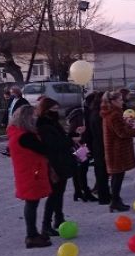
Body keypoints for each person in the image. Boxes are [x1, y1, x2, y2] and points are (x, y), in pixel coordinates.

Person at [7, 105, 52, 248]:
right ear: (26, 118)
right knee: (32, 204)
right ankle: (31, 235)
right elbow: (44, 149)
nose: (36, 118)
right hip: (31, 174)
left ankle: (33, 233)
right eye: (33, 116)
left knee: (32, 203)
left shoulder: (17, 133)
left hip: (28, 172)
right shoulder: (25, 136)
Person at [35, 98, 76, 236]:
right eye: (53, 109)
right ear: (46, 110)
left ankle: (59, 218)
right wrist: (70, 140)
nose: (56, 111)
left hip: (61, 162)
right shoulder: (44, 126)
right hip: (54, 164)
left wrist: (70, 137)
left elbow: (60, 140)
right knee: (54, 194)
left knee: (59, 193)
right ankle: (46, 224)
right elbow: (54, 145)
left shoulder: (53, 123)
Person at [100, 90, 135, 212]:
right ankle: (114, 201)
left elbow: (120, 129)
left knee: (117, 176)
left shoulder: (114, 113)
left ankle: (116, 200)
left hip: (116, 150)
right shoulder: (114, 115)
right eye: (120, 100)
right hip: (116, 151)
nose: (122, 102)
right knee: (117, 177)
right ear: (113, 101)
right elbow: (122, 133)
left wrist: (128, 123)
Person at [83, 91, 111, 205]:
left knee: (102, 171)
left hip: (97, 145)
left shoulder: (94, 113)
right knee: (101, 171)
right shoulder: (97, 115)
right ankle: (103, 196)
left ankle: (104, 194)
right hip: (99, 145)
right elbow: (99, 132)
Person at [0, 86, 30, 156]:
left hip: (17, 122)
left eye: (13, 92)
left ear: (17, 93)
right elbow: (7, 110)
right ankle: (10, 149)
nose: (11, 94)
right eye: (11, 92)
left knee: (14, 136)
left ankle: (10, 150)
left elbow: (27, 110)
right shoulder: (11, 100)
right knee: (10, 135)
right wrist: (3, 121)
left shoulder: (23, 101)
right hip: (10, 120)